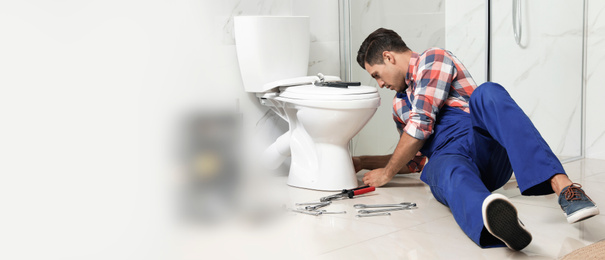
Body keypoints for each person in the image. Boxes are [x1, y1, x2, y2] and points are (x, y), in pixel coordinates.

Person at [352, 28, 600, 250]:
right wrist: (365, 161)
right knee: (446, 168)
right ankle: (497, 224)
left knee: (487, 92)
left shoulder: (432, 58)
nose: (380, 83)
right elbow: (414, 160)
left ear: (388, 57)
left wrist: (386, 174)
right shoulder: (399, 105)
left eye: (376, 75)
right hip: (450, 161)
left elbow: (420, 125)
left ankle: (565, 188)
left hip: (483, 146)